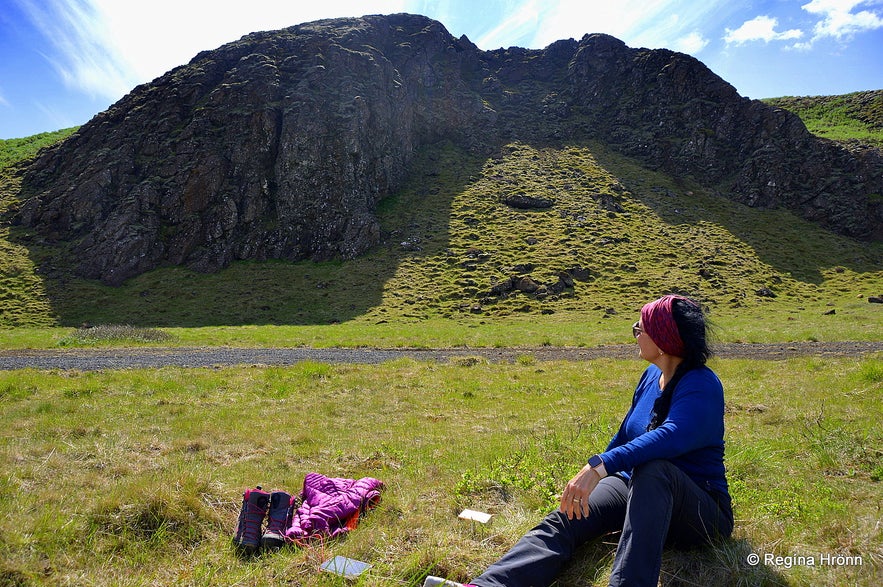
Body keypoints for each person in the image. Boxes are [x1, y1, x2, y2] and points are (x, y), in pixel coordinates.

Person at [431, 294, 734, 587]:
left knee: (655, 468)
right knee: (567, 518)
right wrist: (592, 477)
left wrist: (600, 467)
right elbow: (626, 435)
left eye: (640, 328)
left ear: (662, 340)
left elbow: (671, 437)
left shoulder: (702, 384)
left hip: (700, 514)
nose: (635, 334)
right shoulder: (649, 377)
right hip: (636, 491)